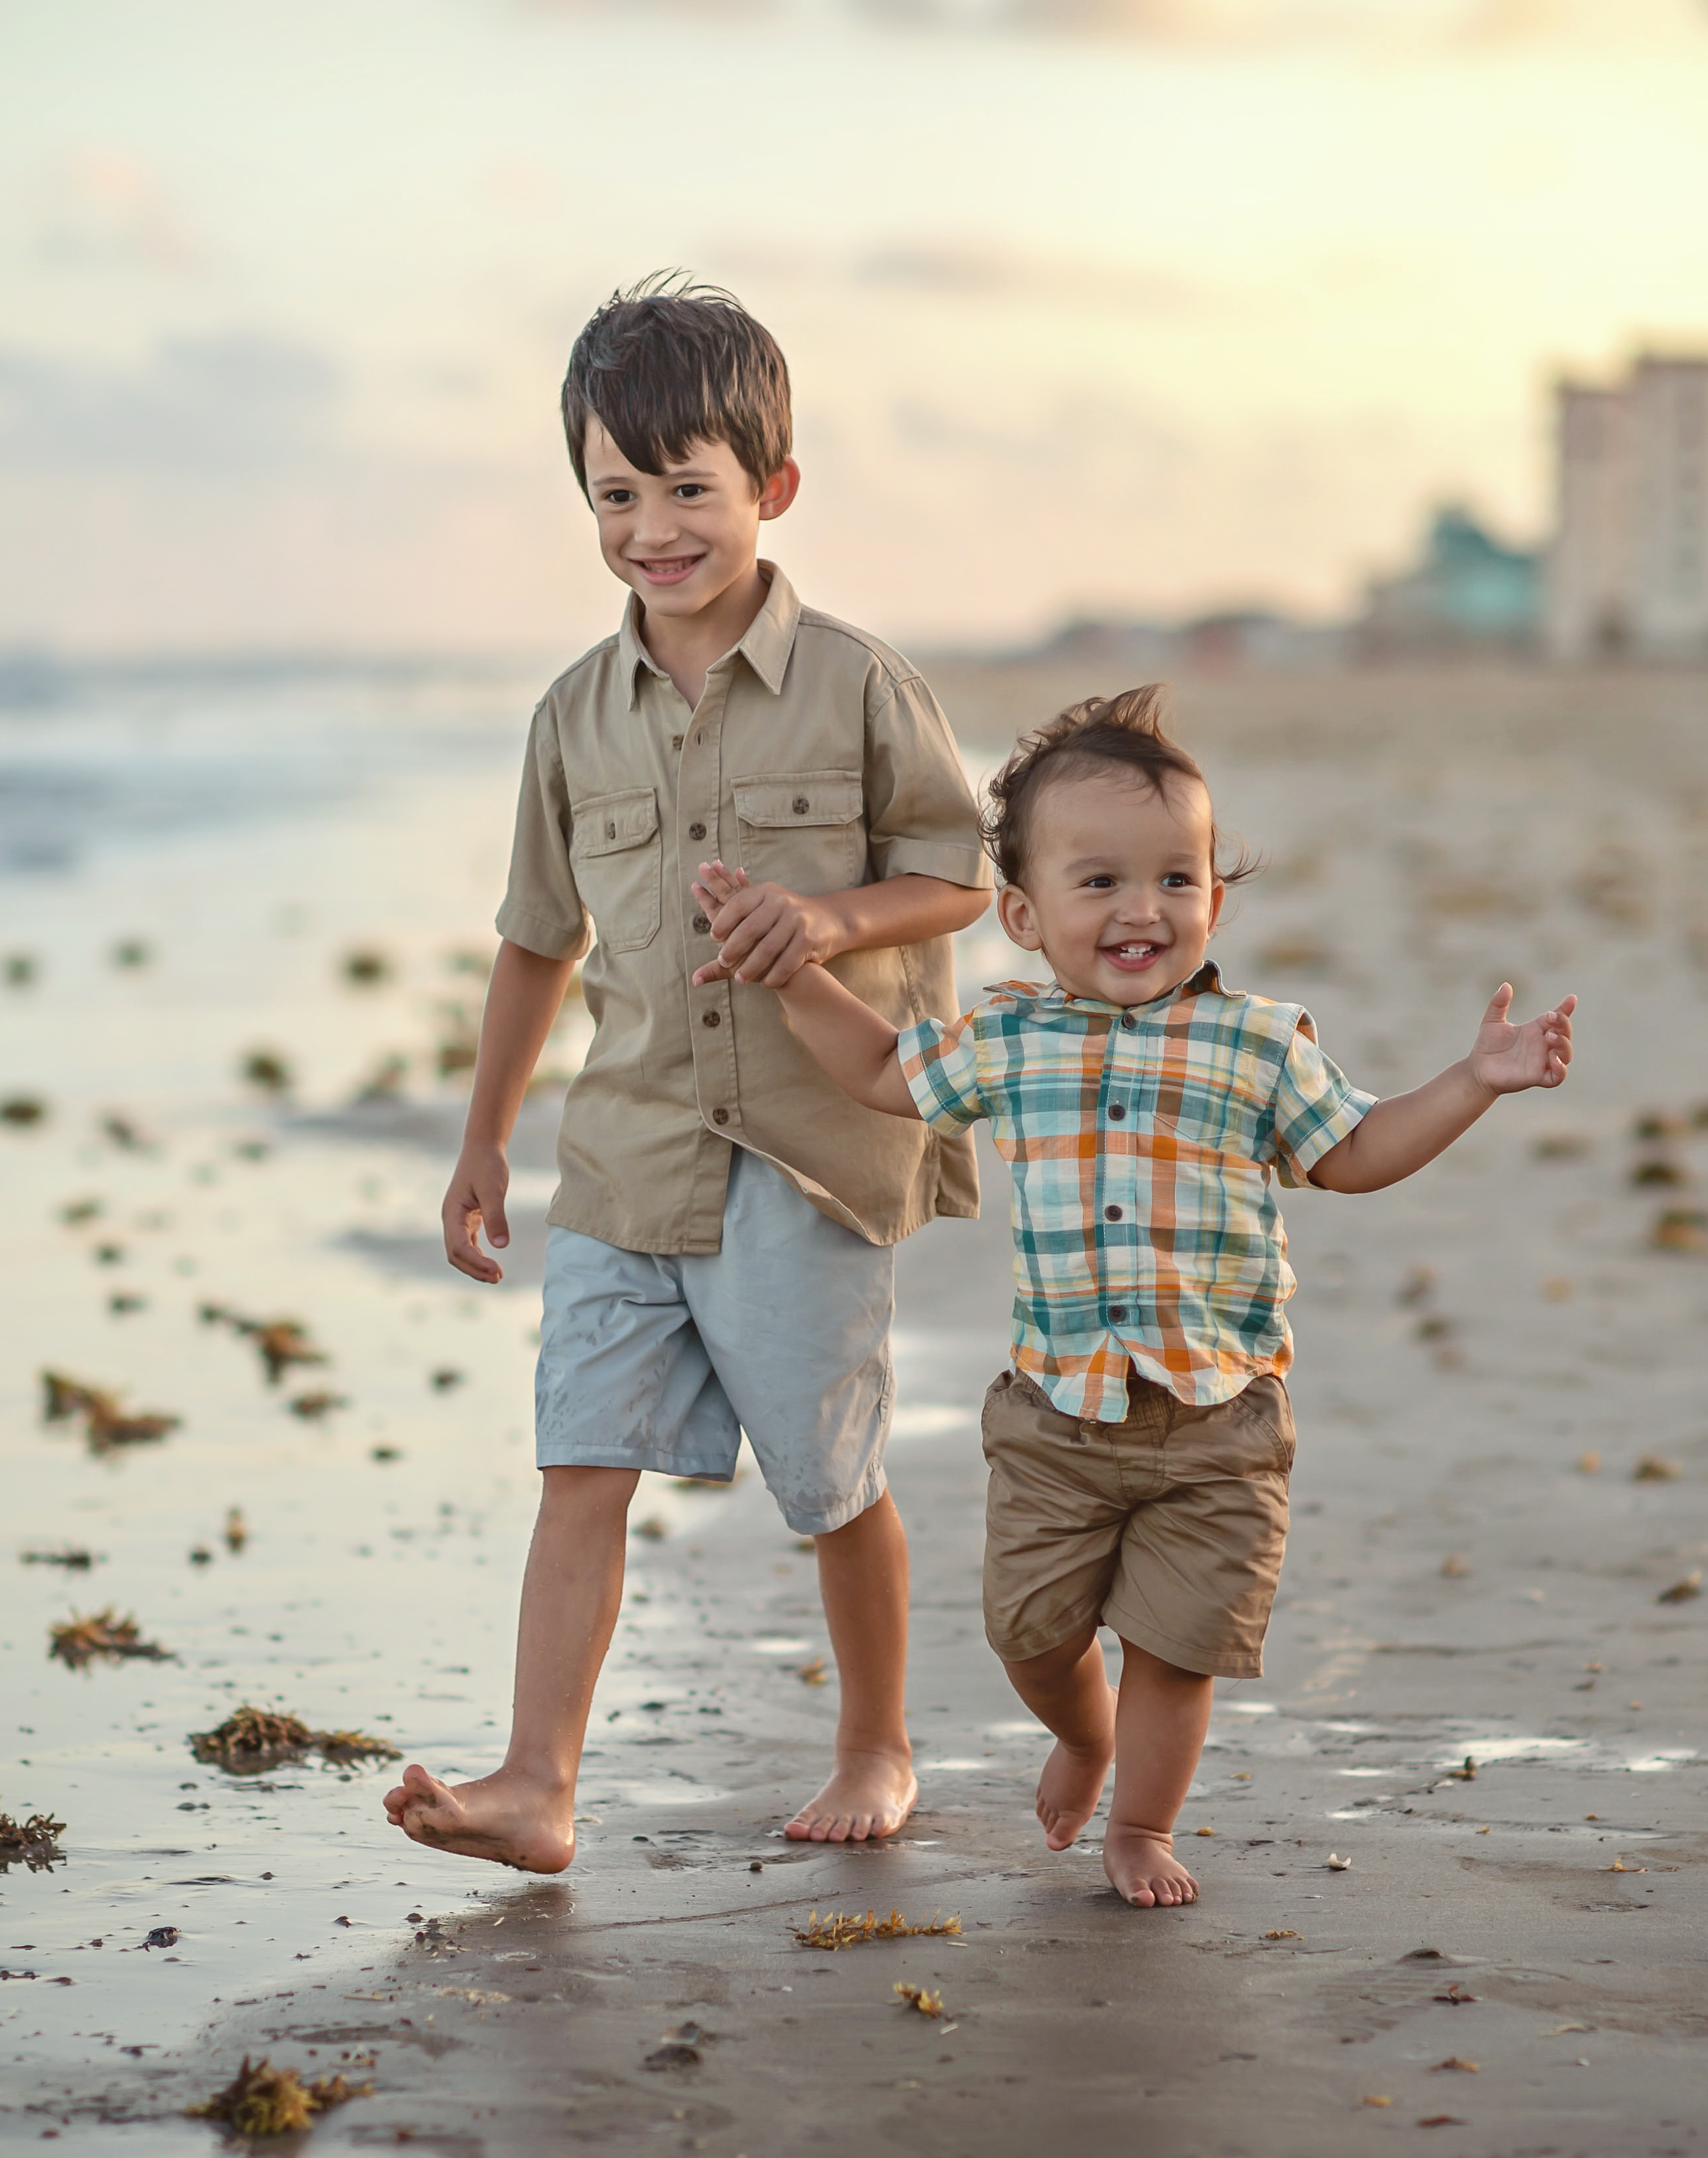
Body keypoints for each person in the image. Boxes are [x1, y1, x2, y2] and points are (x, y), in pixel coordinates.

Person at [699, 684, 1576, 1906]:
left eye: (1176, 879)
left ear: (1214, 899)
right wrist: (795, 970)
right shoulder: (1009, 1040)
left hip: (1219, 1422)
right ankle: (1085, 1734)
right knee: (1032, 1635)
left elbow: (1354, 1153)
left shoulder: (1260, 1044)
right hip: (1056, 1420)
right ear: (1023, 913)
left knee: (1179, 1647)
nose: (1141, 909)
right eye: (1098, 881)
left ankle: (1143, 1827)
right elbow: (879, 1073)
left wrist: (1474, 1081)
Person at [383, 276, 992, 1874]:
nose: (654, 526)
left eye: (689, 490)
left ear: (771, 489)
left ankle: (876, 1740)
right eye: (616, 493)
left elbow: (956, 869)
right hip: (626, 1152)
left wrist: (829, 917)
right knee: (579, 1459)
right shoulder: (572, 716)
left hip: (807, 1150)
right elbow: (535, 938)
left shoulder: (862, 684)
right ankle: (536, 1781)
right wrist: (481, 1150)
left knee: (828, 1475)